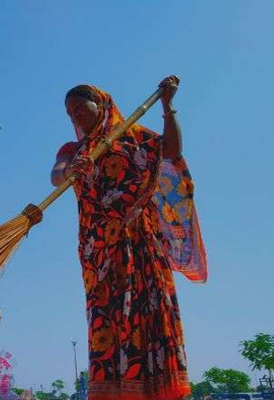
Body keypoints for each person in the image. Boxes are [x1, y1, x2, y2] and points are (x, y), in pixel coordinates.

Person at [50, 76, 207, 400]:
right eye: (69, 112)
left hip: (142, 244)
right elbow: (56, 174)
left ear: (101, 103)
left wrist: (167, 106)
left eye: (80, 106)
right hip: (101, 254)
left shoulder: (135, 138)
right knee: (107, 320)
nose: (75, 114)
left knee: (150, 314)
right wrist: (70, 171)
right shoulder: (74, 150)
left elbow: (172, 149)